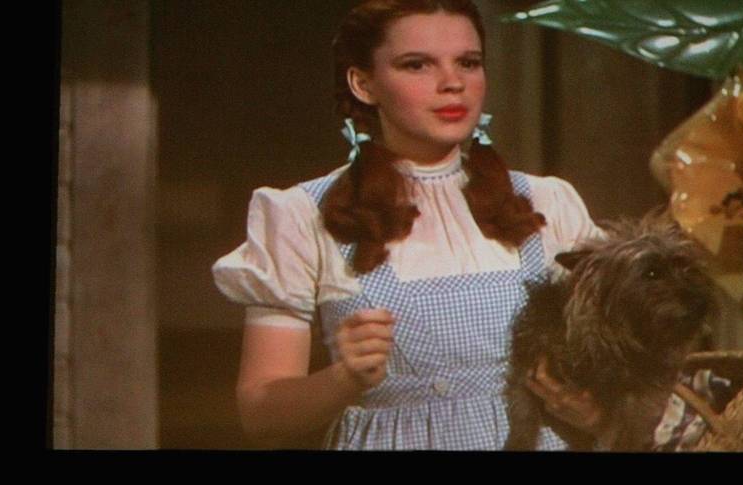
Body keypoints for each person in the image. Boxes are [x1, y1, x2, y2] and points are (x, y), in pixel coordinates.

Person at [211, 0, 607, 449]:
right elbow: (261, 415)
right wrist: (344, 378)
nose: (452, 83)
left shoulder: (547, 203)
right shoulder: (303, 215)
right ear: (363, 84)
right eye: (417, 65)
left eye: (468, 63)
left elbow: (627, 369)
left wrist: (596, 413)